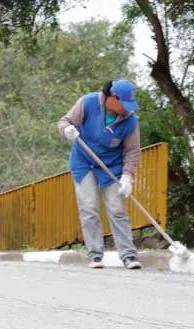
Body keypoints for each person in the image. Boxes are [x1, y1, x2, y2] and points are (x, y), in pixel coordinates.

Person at [58, 79, 142, 269]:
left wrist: (127, 176)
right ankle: (95, 255)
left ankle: (128, 256)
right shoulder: (87, 103)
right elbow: (64, 121)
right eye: (124, 104)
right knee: (89, 208)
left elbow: (132, 151)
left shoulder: (130, 120)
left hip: (111, 167)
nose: (126, 109)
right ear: (112, 97)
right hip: (84, 162)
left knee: (117, 208)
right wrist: (67, 130)